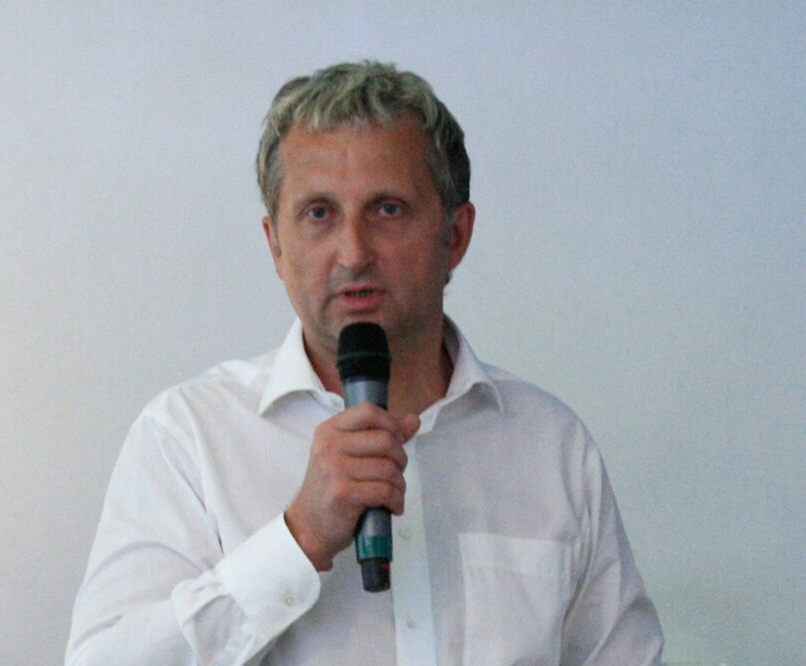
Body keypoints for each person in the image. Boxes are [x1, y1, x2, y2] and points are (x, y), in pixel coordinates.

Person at [66, 61, 664, 665]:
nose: (353, 253)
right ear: (276, 245)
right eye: (319, 213)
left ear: (455, 235)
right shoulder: (189, 437)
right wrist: (299, 539)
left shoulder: (550, 444)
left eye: (388, 210)